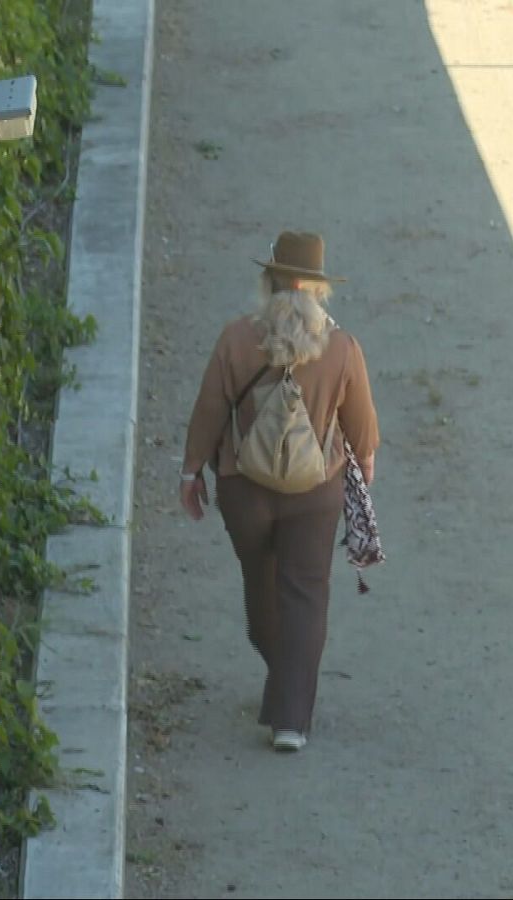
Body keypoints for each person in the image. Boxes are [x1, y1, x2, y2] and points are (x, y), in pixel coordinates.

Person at [178, 231, 379, 752]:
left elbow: (208, 412)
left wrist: (191, 472)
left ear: (268, 283)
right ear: (319, 291)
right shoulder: (342, 349)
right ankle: (291, 718)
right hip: (315, 493)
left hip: (245, 490)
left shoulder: (236, 340)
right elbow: (364, 435)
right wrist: (363, 471)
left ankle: (281, 672)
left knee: (260, 581)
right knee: (305, 595)